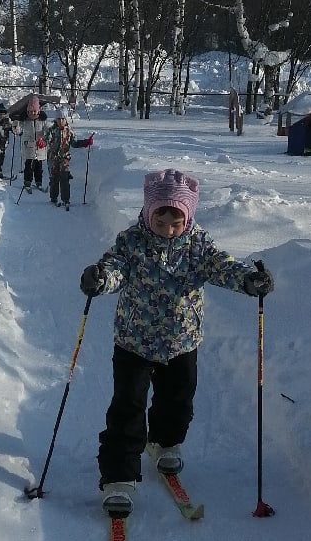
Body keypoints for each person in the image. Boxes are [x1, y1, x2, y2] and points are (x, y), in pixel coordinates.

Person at [79, 168, 273, 514]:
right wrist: (101, 278)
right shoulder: (132, 242)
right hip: (134, 342)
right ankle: (119, 476)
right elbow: (116, 268)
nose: (168, 230)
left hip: (181, 341)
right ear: (148, 213)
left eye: (176, 222)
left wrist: (248, 281)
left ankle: (166, 444)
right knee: (128, 409)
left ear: (189, 217)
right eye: (160, 221)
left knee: (177, 401)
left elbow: (222, 267)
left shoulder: (199, 245)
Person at [44, 108, 93, 208]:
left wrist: (85, 142)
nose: (60, 121)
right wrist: (41, 143)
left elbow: (74, 143)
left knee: (65, 177)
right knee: (54, 178)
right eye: (58, 119)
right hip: (53, 158)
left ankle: (66, 199)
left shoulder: (69, 131)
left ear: (66, 119)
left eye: (62, 119)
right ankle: (53, 197)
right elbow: (45, 140)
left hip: (64, 158)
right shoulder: (51, 130)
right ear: (56, 120)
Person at [20, 96, 48, 191]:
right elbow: (18, 131)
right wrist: (15, 125)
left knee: (38, 167)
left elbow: (47, 132)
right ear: (27, 112)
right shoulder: (24, 121)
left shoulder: (43, 121)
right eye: (30, 111)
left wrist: (44, 141)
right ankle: (27, 182)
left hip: (40, 148)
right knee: (29, 166)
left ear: (38, 111)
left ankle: (38, 182)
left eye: (34, 111)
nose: (32, 113)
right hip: (29, 148)